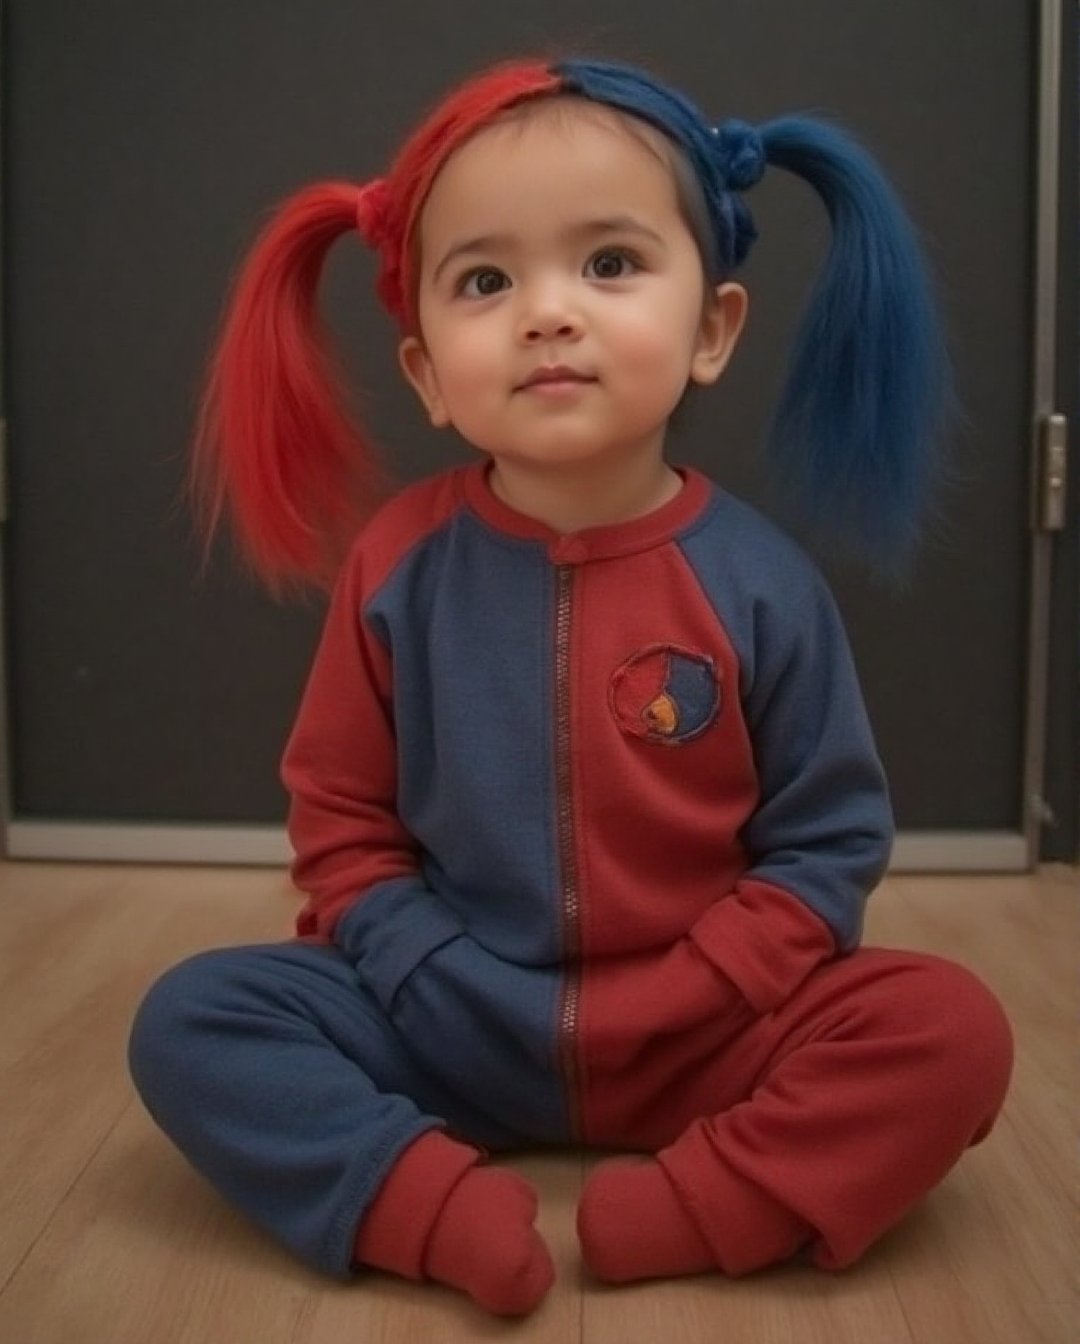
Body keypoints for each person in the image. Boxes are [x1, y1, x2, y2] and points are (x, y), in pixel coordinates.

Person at [128, 57, 1014, 1318]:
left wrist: (700, 986)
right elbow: (342, 823)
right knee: (191, 1019)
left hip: (703, 1038)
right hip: (449, 1024)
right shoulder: (399, 570)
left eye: (608, 264)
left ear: (711, 330)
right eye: (486, 281)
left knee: (950, 1030)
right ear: (430, 372)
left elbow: (825, 846)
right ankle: (416, 1201)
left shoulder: (761, 584)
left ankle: (707, 1202)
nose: (549, 313)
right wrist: (428, 969)